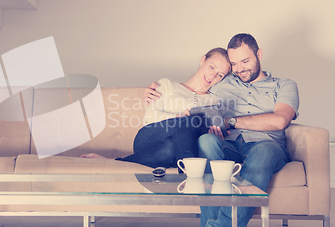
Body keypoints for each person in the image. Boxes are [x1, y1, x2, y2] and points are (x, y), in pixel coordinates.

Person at [145, 33, 299, 227]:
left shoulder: (284, 85)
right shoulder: (223, 82)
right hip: (228, 145)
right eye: (234, 64)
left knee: (264, 152)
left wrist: (231, 122)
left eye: (245, 62)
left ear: (259, 55)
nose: (239, 69)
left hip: (266, 145)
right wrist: (155, 90)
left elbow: (279, 121)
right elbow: (191, 89)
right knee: (206, 142)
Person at [81, 48, 231, 170]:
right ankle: (191, 173)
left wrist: (216, 137)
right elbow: (150, 117)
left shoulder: (214, 100)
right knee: (187, 121)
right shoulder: (166, 85)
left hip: (175, 149)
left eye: (220, 75)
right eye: (212, 67)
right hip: (150, 136)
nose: (212, 75)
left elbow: (207, 136)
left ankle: (116, 162)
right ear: (203, 59)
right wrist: (178, 118)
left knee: (172, 148)